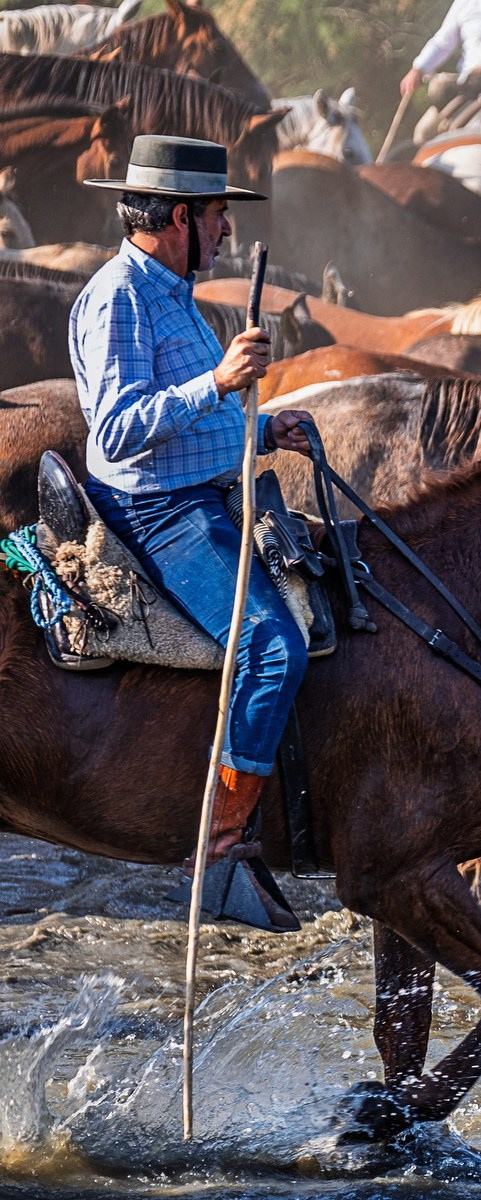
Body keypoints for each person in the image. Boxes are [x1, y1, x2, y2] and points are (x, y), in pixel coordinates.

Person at [70, 135, 315, 933]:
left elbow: (195, 417)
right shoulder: (120, 297)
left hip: (207, 488)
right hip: (159, 511)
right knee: (273, 645)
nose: (227, 232)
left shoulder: (174, 290)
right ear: (180, 216)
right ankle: (218, 845)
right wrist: (219, 378)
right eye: (217, 215)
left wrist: (267, 424)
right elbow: (115, 432)